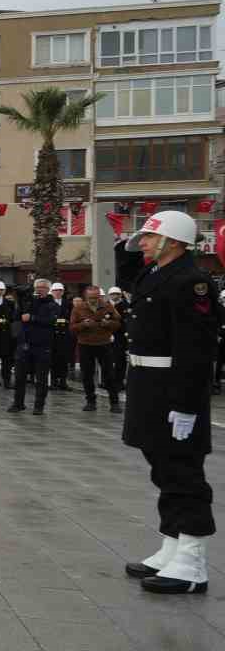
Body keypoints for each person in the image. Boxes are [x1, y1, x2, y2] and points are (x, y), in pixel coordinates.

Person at [121, 211, 218, 594]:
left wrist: (187, 404)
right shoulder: (155, 275)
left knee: (182, 471)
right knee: (161, 466)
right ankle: (173, 544)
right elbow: (127, 269)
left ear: (174, 241)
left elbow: (196, 349)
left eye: (149, 237)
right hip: (148, 383)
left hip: (173, 386)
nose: (141, 243)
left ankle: (192, 560)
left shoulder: (192, 282)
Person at [70, 285, 122, 414]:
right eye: (91, 297)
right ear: (86, 297)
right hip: (85, 344)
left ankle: (114, 402)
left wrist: (108, 324)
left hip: (104, 344)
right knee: (87, 374)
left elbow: (118, 324)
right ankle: (90, 401)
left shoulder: (108, 306)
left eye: (96, 297)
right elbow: (72, 327)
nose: (93, 299)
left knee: (109, 374)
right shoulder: (78, 308)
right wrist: (83, 325)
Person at [8, 280, 57, 415]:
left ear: (48, 289)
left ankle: (39, 406)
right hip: (24, 344)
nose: (39, 290)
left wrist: (32, 317)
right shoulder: (27, 301)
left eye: (42, 288)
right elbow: (16, 317)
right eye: (37, 287)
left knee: (41, 378)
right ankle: (18, 403)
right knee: (19, 376)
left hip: (42, 345)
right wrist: (22, 303)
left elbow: (51, 321)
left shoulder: (51, 304)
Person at [47, 281, 74, 389]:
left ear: (63, 292)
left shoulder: (68, 304)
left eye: (60, 290)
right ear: (52, 292)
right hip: (52, 334)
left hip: (64, 334)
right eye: (55, 291)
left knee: (64, 358)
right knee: (52, 358)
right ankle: (53, 380)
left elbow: (72, 317)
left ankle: (63, 381)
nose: (58, 292)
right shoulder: (48, 303)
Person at [109, 285, 131, 394]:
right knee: (107, 360)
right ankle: (108, 382)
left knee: (120, 360)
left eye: (116, 294)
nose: (114, 296)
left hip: (120, 337)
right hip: (107, 336)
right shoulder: (106, 306)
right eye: (112, 294)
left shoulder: (125, 305)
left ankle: (119, 382)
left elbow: (127, 321)